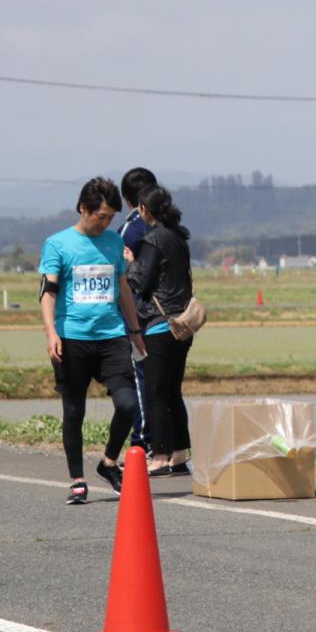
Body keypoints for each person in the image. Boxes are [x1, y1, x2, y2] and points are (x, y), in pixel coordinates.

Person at [39, 178, 145, 505]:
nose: (105, 223)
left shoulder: (113, 244)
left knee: (128, 404)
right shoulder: (58, 244)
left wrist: (136, 332)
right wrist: (52, 333)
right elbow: (47, 293)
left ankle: (109, 462)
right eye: (99, 216)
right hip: (72, 338)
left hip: (112, 336)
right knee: (74, 411)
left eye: (110, 217)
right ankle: (77, 480)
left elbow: (123, 289)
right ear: (82, 209)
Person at [126, 185, 194, 477]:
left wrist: (130, 263)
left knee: (154, 392)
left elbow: (139, 282)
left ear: (143, 210)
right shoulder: (180, 237)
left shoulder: (151, 240)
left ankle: (160, 456)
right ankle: (179, 455)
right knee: (173, 391)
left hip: (158, 324)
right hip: (184, 325)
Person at [117, 167, 158, 457]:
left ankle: (142, 441)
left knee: (139, 377)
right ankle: (168, 446)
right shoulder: (166, 227)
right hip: (168, 315)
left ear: (127, 198)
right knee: (163, 382)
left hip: (139, 314)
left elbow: (121, 276)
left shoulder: (129, 229)